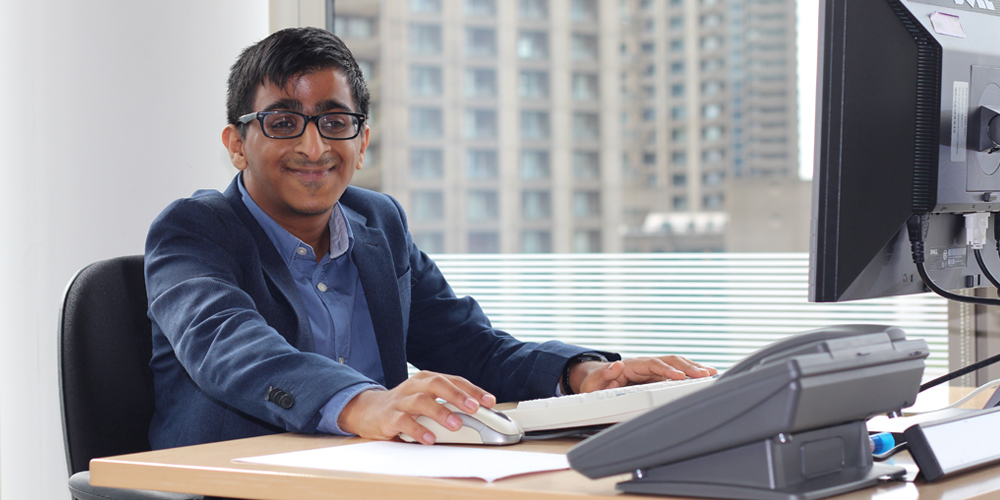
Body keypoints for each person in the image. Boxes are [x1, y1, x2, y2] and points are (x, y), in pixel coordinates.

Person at [144, 26, 717, 450]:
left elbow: (471, 346)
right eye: (283, 121)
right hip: (230, 483)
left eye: (335, 122)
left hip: (373, 479)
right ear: (237, 142)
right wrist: (365, 403)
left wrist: (585, 376)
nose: (313, 147)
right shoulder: (195, 230)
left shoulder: (379, 223)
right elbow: (229, 346)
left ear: (362, 142)